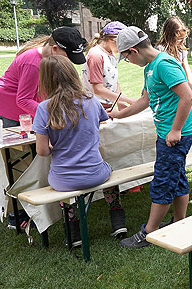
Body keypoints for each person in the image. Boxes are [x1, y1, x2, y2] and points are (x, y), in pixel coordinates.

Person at [109, 26, 192, 249]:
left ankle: (149, 232)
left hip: (177, 134)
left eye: (126, 57)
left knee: (163, 180)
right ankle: (179, 222)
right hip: (168, 133)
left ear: (133, 51)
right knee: (176, 177)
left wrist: (175, 130)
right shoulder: (150, 67)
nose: (128, 61)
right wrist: (119, 114)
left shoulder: (164, 65)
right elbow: (146, 100)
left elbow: (187, 97)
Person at [32, 55, 126, 247]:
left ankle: (74, 233)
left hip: (63, 179)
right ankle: (118, 221)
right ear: (72, 74)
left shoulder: (44, 109)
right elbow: (96, 126)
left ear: (45, 79)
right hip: (95, 173)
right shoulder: (91, 100)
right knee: (109, 169)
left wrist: (56, 146)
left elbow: (42, 151)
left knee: (65, 193)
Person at [0, 27, 87, 128]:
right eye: (68, 57)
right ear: (55, 48)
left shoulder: (51, 61)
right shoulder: (33, 64)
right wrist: (51, 114)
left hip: (28, 109)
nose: (68, 61)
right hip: (6, 108)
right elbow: (23, 100)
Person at [81, 21, 136, 110]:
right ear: (112, 40)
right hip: (94, 107)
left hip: (106, 106)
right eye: (122, 44)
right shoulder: (96, 55)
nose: (123, 48)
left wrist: (120, 103)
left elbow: (114, 80)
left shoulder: (110, 54)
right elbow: (98, 89)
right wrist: (128, 100)